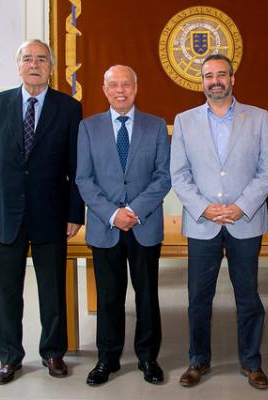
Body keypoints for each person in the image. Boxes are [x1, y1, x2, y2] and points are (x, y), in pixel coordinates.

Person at [0, 39, 84, 384]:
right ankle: (9, 357)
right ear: (17, 65)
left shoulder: (68, 108)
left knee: (52, 289)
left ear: (51, 67)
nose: (34, 65)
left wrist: (74, 213)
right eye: (27, 59)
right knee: (6, 292)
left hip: (51, 213)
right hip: (4, 213)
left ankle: (53, 352)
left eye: (41, 59)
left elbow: (76, 166)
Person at [170, 54, 268, 389]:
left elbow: (265, 171)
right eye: (208, 76)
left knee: (248, 296)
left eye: (221, 74)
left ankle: (251, 362)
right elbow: (179, 174)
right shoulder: (184, 121)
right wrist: (205, 208)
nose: (215, 80)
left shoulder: (258, 118)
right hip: (203, 223)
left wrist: (240, 206)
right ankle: (198, 360)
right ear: (201, 82)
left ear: (233, 79)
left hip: (245, 221)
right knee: (199, 297)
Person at [76, 65, 171, 386]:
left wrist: (133, 210)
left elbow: (163, 176)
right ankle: (108, 358)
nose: (120, 90)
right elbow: (84, 180)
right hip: (105, 227)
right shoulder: (88, 128)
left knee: (147, 296)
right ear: (104, 89)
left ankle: (148, 357)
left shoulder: (156, 126)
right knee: (109, 298)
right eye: (114, 85)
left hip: (144, 225)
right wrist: (113, 214)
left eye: (126, 84)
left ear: (136, 87)